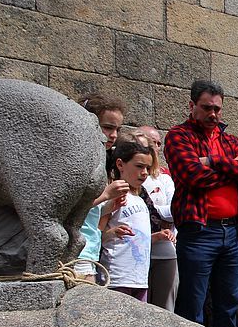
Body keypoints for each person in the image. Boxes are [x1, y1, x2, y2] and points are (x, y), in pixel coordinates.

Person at [164, 79, 238, 327]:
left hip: (230, 232)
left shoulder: (229, 140)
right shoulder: (178, 136)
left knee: (229, 301)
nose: (213, 114)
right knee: (193, 301)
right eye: (207, 108)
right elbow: (192, 176)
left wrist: (214, 162)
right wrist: (232, 171)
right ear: (192, 105)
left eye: (218, 109)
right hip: (198, 231)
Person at [74, 93, 129, 282]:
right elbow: (70, 206)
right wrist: (106, 194)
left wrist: (110, 205)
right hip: (76, 251)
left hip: (90, 249)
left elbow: (91, 211)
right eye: (107, 128)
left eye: (117, 129)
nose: (113, 135)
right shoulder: (78, 159)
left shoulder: (102, 159)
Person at [99, 140, 155, 302]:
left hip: (140, 278)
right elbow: (98, 232)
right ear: (120, 165)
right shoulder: (113, 195)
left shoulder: (140, 199)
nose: (144, 173)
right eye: (139, 166)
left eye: (147, 168)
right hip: (117, 276)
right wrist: (111, 232)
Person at [140, 127, 178, 312]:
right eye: (150, 142)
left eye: (158, 143)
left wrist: (153, 212)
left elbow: (174, 209)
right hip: (138, 251)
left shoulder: (164, 178)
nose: (155, 147)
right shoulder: (132, 177)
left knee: (166, 305)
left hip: (165, 248)